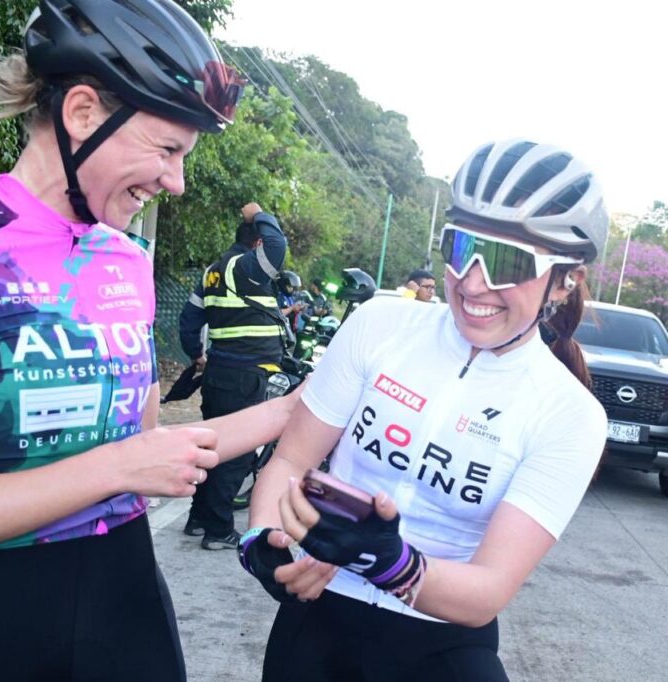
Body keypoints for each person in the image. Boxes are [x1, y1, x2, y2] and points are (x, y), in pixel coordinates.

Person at [0, 2, 299, 680]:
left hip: (124, 601)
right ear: (82, 113)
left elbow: (150, 448)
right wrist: (117, 468)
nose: (177, 182)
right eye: (167, 150)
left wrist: (304, 406)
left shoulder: (127, 258)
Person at [237, 139, 609, 680]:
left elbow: (488, 590)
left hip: (442, 642)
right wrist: (261, 539)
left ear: (564, 279)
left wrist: (392, 563)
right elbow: (291, 461)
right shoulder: (378, 325)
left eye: (507, 262)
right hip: (318, 620)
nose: (473, 283)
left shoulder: (570, 413)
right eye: (461, 249)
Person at [177, 202, 290, 550]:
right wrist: (259, 214)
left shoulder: (213, 271)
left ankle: (198, 518)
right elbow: (278, 246)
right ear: (257, 243)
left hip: (218, 373)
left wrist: (197, 356)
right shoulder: (245, 266)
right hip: (245, 375)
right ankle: (219, 530)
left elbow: (189, 320)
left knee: (212, 446)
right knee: (235, 454)